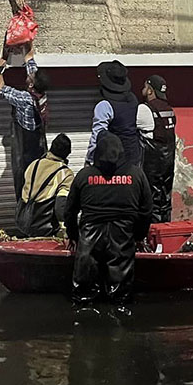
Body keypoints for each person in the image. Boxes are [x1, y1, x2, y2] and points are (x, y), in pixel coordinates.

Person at [66, 131, 153, 308]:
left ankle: (82, 326)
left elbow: (70, 211)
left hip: (90, 237)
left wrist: (74, 236)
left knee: (83, 297)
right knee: (121, 299)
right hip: (122, 236)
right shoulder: (136, 175)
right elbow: (146, 211)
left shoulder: (84, 175)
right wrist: (137, 236)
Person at [0, 41, 50, 196]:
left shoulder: (25, 99)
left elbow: (0, 87)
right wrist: (26, 35)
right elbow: (30, 57)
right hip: (39, 142)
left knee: (23, 177)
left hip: (26, 145)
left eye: (30, 76)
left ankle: (23, 205)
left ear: (31, 84)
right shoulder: (40, 92)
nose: (29, 74)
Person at [16, 133, 75, 238]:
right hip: (44, 228)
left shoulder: (34, 164)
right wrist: (68, 231)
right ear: (68, 153)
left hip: (21, 222)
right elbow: (60, 207)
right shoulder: (65, 173)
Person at [86, 60, 143, 169]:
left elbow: (97, 135)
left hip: (113, 162)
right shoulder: (133, 100)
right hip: (134, 159)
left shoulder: (104, 106)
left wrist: (90, 161)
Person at [137, 74, 177, 224]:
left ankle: (151, 235)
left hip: (151, 167)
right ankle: (165, 230)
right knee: (165, 202)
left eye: (145, 86)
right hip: (168, 164)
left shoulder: (144, 109)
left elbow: (126, 126)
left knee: (149, 202)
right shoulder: (170, 110)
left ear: (150, 90)